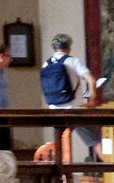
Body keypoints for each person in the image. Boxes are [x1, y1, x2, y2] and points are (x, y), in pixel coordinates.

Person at [42, 33, 100, 162]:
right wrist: (91, 100)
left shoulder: (46, 64)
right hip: (75, 109)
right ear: (68, 47)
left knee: (60, 141)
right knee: (96, 140)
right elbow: (91, 80)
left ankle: (61, 174)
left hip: (55, 110)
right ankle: (110, 168)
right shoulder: (73, 61)